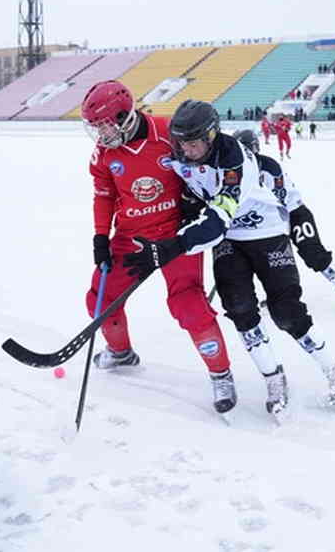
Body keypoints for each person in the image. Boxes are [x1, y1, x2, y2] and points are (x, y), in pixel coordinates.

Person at [123, 100, 335, 417]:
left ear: (212, 136)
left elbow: (216, 223)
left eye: (194, 142)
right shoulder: (181, 155)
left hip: (265, 232)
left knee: (286, 313)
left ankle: (332, 367)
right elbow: (188, 195)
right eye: (181, 142)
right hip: (230, 240)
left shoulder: (234, 162)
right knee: (240, 310)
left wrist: (170, 248)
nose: (186, 149)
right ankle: (273, 378)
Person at [80, 81, 234, 414]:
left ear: (123, 115)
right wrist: (99, 237)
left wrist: (200, 207)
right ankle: (120, 352)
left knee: (188, 304)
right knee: (100, 300)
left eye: (105, 125)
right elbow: (104, 195)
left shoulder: (168, 131)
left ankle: (220, 372)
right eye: (96, 128)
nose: (101, 135)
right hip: (130, 237)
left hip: (174, 235)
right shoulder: (105, 154)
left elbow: (206, 163)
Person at [234, 129, 335, 311]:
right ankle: (277, 297)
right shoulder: (234, 171)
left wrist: (278, 231)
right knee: (265, 263)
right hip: (264, 222)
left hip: (293, 213)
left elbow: (279, 204)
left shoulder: (269, 167)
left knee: (313, 253)